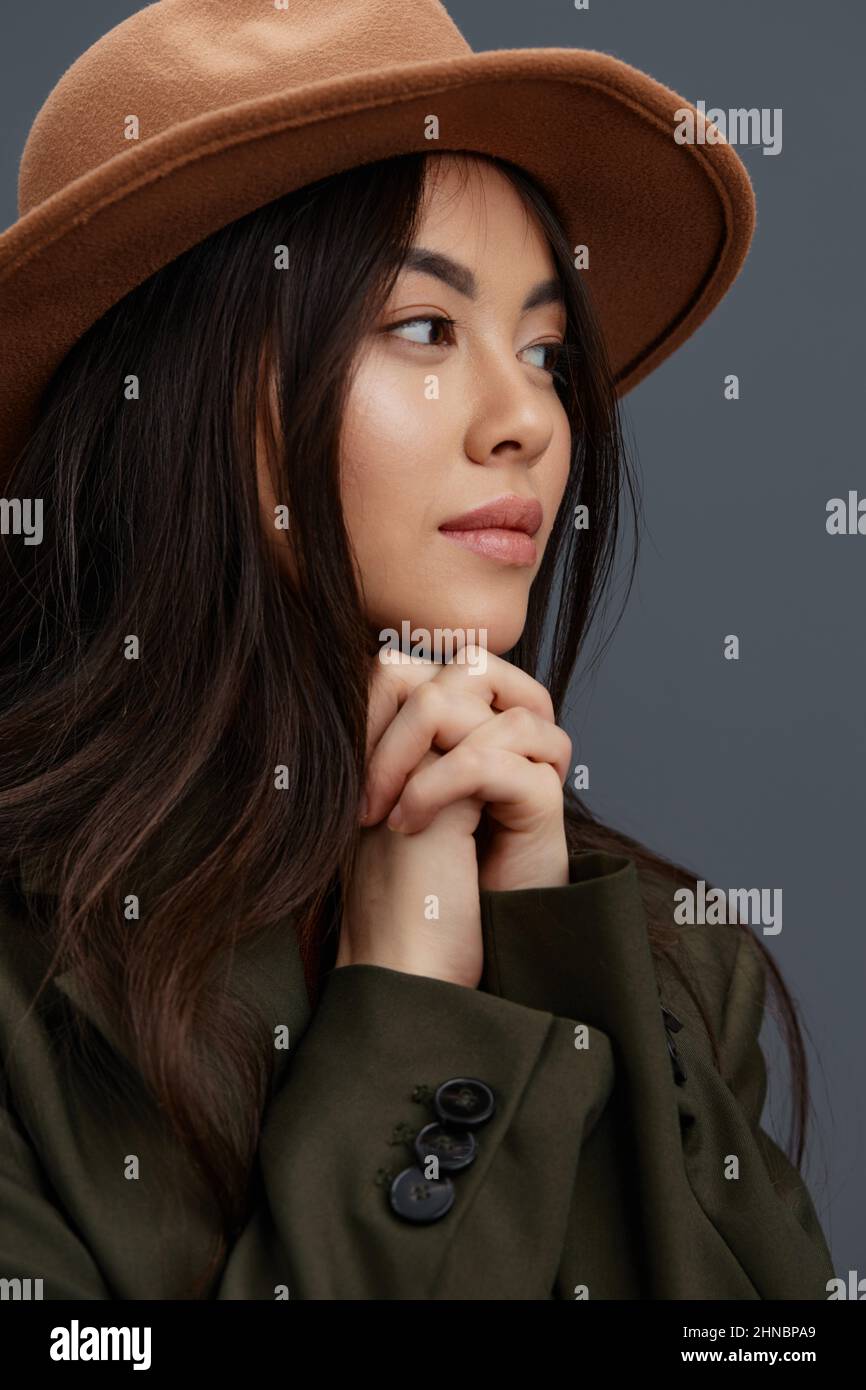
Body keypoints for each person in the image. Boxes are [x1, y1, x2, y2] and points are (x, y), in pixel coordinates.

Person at [0, 0, 834, 1299]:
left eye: (548, 347)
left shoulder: (660, 952)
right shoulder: (31, 980)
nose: (529, 421)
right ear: (185, 395)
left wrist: (552, 954)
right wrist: (408, 1016)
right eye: (425, 329)